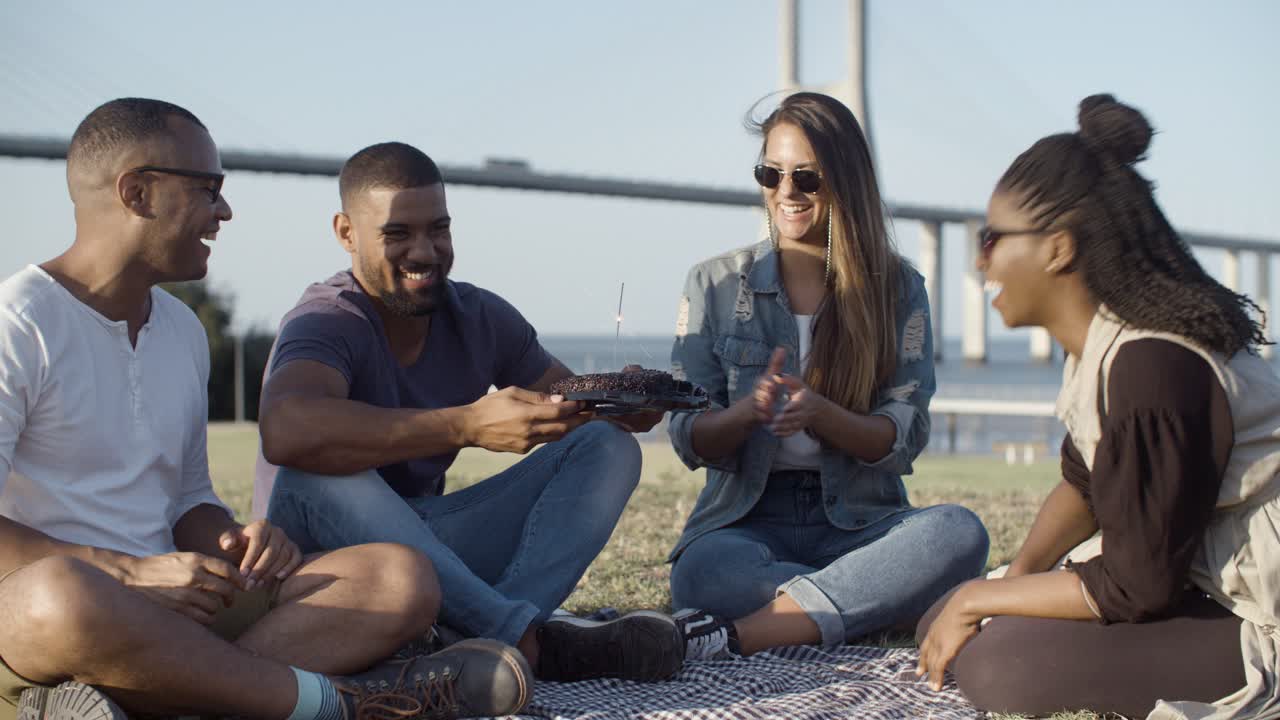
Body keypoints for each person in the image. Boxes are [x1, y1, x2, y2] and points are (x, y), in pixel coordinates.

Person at [0, 98, 533, 720]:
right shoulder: (20, 323)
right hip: (52, 612)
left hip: (183, 601)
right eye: (208, 189)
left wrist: (232, 541)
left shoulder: (181, 329)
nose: (224, 211)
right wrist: (128, 575)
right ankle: (343, 703)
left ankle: (161, 697)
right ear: (137, 192)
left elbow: (186, 499)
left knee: (398, 578)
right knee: (62, 596)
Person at [255, 141, 686, 683]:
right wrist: (466, 424)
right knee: (322, 475)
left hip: (428, 556)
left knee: (607, 447)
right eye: (397, 234)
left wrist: (621, 402)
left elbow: (567, 401)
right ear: (346, 233)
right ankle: (517, 638)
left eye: (439, 229)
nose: (425, 252)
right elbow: (285, 432)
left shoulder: (477, 316)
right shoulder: (326, 320)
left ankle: (478, 645)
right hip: (325, 573)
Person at [915, 94, 1279, 720]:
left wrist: (980, 600)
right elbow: (1084, 485)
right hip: (1194, 573)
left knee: (1001, 667)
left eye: (992, 238)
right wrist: (1007, 584)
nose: (980, 260)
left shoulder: (1152, 366)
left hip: (1256, 608)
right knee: (949, 617)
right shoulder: (1103, 346)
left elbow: (1138, 585)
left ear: (1057, 248)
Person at [665, 92, 990, 660]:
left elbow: (903, 438)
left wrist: (822, 414)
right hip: (746, 523)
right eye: (771, 172)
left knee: (959, 533)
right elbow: (687, 435)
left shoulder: (900, 291)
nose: (785, 191)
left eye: (806, 177)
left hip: (862, 523)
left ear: (844, 179)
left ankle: (761, 627)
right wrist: (747, 414)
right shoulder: (713, 283)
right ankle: (867, 602)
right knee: (701, 576)